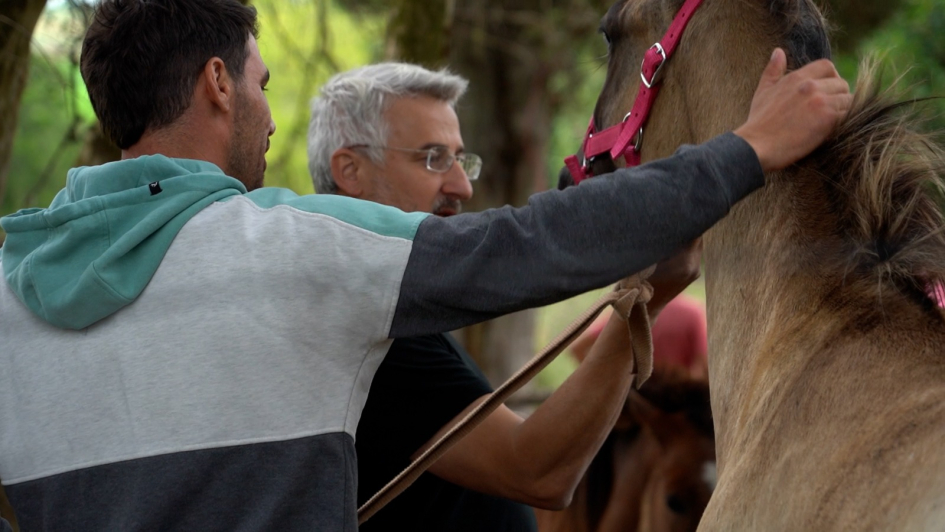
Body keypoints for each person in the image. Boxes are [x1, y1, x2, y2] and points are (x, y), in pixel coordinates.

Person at [0, 0, 852, 530]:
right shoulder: (289, 247)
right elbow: (525, 247)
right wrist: (744, 152)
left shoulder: (9, 293)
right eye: (259, 84)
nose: (266, 119)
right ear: (219, 83)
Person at [307, 63, 707, 531]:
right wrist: (646, 299)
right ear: (350, 170)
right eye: (433, 158)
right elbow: (538, 471)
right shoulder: (366, 320)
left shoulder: (371, 305)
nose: (462, 185)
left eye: (461, 159)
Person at [571, 294, 708, 379]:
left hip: (637, 402)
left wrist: (610, 379)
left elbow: (578, 348)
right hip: (675, 403)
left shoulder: (632, 311)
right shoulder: (692, 312)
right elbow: (703, 366)